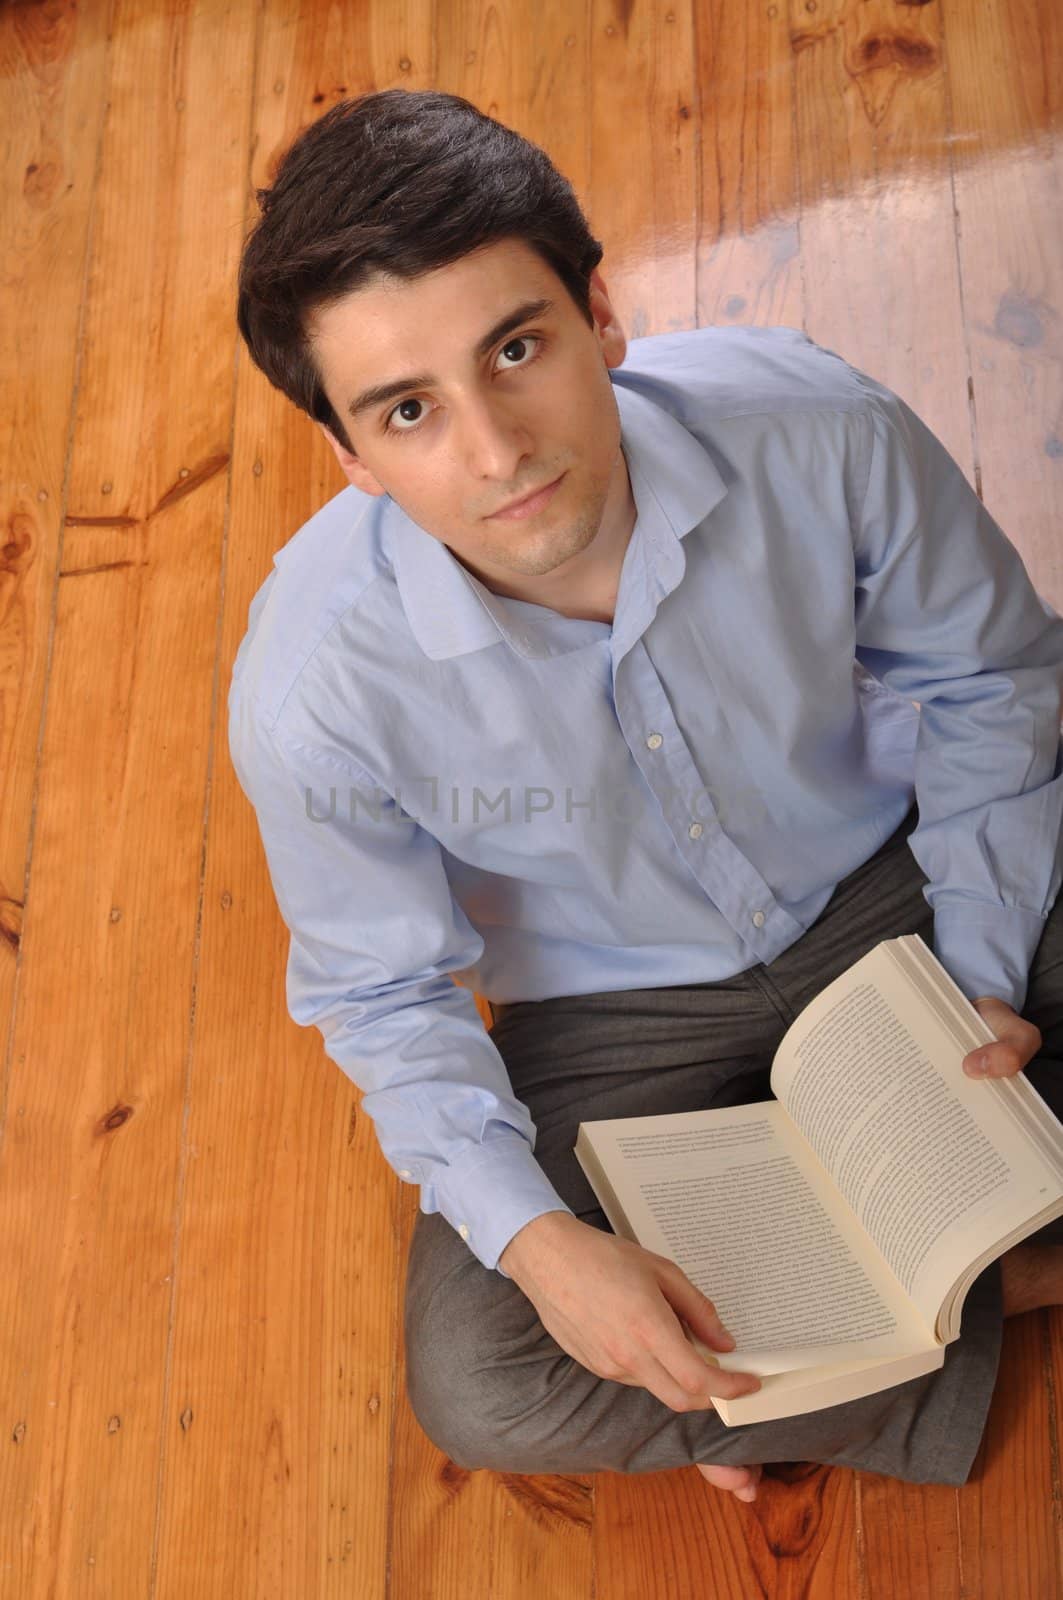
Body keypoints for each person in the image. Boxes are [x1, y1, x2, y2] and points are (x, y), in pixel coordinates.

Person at [229, 87, 1063, 1501]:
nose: (496, 450)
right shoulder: (308, 693)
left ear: (601, 313)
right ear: (350, 458)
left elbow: (996, 684)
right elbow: (387, 1001)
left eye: (516, 348)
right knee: (483, 1375)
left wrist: (974, 976)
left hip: (892, 883)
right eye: (410, 410)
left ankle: (811, 1371)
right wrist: (547, 1250)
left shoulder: (819, 426)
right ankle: (982, 1281)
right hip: (611, 1020)